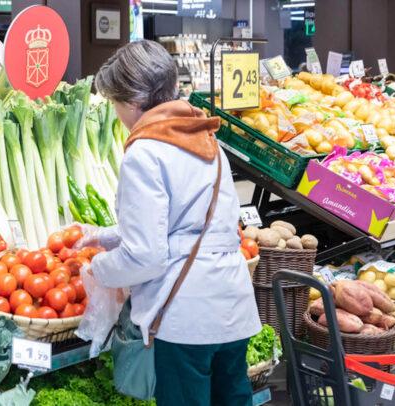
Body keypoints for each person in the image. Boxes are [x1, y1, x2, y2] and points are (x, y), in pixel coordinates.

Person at [78, 40, 261, 406]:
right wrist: (105, 237)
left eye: (114, 103)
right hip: (233, 307)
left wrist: (98, 268)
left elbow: (147, 256)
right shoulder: (207, 140)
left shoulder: (145, 152)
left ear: (131, 102)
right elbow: (191, 227)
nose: (117, 113)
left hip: (186, 320)